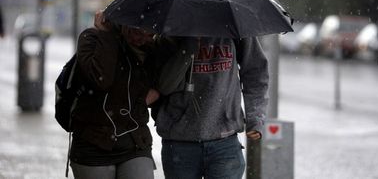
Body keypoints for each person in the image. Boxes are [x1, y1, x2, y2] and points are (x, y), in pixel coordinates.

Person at [153, 36, 269, 179]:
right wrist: (189, 45)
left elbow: (256, 73)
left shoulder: (234, 24)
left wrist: (255, 117)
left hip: (225, 141)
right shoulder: (171, 29)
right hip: (179, 142)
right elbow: (162, 85)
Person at [69, 10, 160, 179]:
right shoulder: (92, 39)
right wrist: (106, 34)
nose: (141, 39)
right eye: (137, 32)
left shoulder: (150, 50)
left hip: (135, 141)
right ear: (124, 23)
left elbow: (158, 88)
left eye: (149, 35)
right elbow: (101, 79)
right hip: (94, 141)